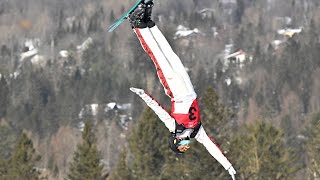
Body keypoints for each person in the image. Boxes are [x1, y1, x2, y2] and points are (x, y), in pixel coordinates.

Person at [128, 1, 236, 179]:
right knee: (170, 53)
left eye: (182, 145)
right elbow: (212, 148)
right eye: (186, 146)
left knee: (159, 57)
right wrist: (228, 165)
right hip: (188, 87)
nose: (186, 143)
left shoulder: (174, 127)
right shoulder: (196, 132)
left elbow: (158, 110)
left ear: (176, 140)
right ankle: (148, 22)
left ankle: (137, 25)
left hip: (175, 90)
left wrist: (143, 94)